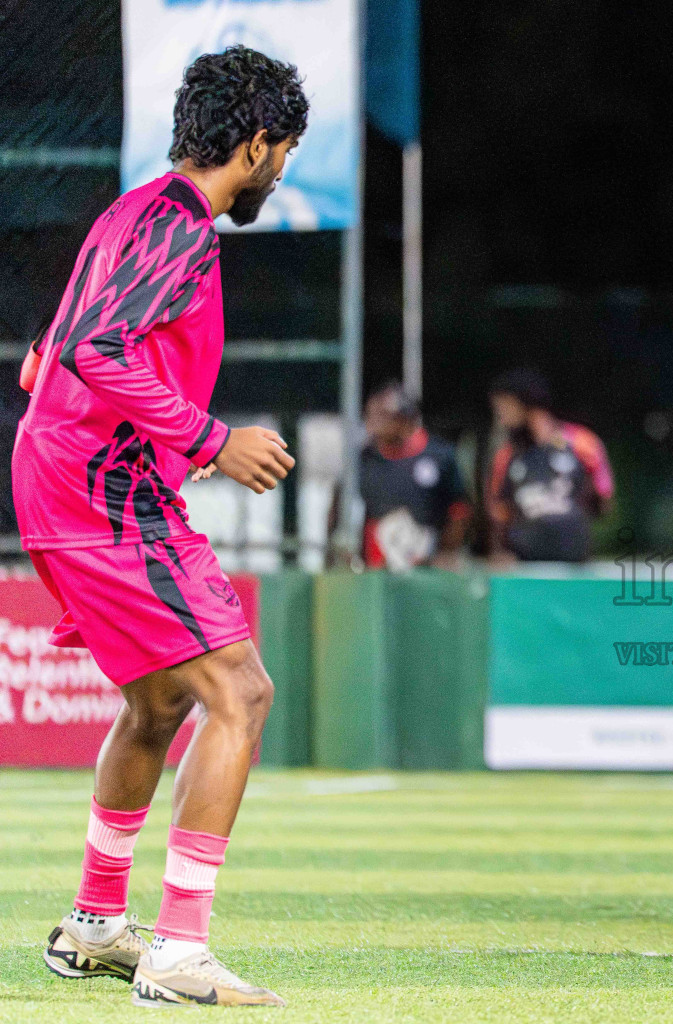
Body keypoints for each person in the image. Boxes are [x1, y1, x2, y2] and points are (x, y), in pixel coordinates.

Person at [16, 46, 304, 1006]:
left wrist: (69, 397)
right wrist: (211, 438)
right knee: (242, 691)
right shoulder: (176, 227)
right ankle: (179, 952)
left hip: (71, 474)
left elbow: (53, 349)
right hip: (105, 488)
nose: (282, 172)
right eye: (283, 153)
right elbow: (95, 344)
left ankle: (97, 924)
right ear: (255, 142)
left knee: (159, 701)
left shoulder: (134, 212)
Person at [486, 369, 613, 563]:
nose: (500, 417)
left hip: (573, 564)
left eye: (503, 407)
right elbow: (499, 512)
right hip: (524, 565)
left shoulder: (582, 442)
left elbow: (603, 498)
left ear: (526, 403)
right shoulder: (507, 454)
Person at [358, 383, 471, 571]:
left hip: (426, 568)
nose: (373, 424)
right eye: (369, 415)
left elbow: (460, 511)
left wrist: (444, 552)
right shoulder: (365, 459)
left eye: (382, 416)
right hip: (378, 571)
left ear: (405, 419)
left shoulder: (439, 455)